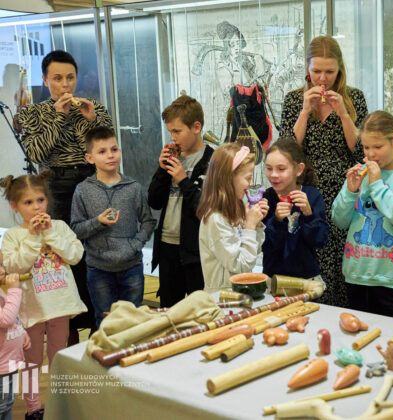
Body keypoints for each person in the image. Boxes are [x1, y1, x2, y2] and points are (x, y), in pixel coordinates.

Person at [18, 50, 113, 340]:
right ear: (46, 80)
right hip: (55, 185)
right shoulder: (34, 112)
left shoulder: (93, 106)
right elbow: (35, 153)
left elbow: (107, 147)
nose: (65, 85)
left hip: (91, 181)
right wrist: (58, 117)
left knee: (97, 249)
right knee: (60, 254)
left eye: (70, 77)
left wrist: (92, 120)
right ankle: (67, 328)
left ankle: (101, 321)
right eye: (57, 78)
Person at [279, 36, 368, 307]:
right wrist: (305, 112)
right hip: (307, 192)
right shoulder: (295, 100)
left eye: (329, 71)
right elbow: (286, 151)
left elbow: (360, 151)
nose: (322, 78)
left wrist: (343, 113)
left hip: (345, 192)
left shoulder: (354, 98)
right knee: (310, 260)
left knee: (343, 261)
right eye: (316, 71)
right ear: (307, 69)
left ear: (340, 69)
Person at [1, 172, 87, 419]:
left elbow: (75, 255)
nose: (36, 207)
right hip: (32, 310)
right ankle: (32, 409)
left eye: (40, 200)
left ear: (47, 201)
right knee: (31, 363)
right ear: (15, 206)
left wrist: (49, 233)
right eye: (28, 203)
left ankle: (60, 403)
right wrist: (33, 238)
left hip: (60, 305)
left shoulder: (59, 226)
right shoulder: (13, 236)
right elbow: (16, 266)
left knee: (59, 358)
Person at [331, 111, 393, 318]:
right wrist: (350, 192)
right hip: (357, 276)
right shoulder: (361, 173)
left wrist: (377, 183)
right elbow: (339, 220)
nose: (371, 154)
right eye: (366, 147)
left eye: (378, 147)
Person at [70, 127, 156, 326]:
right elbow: (75, 229)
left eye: (114, 149)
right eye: (102, 151)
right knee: (105, 321)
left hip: (132, 267)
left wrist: (136, 244)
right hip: (98, 269)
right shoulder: (83, 190)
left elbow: (148, 221)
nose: (110, 155)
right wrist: (97, 222)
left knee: (133, 321)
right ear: (90, 158)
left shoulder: (133, 187)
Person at [148, 96, 214, 307]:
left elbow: (206, 209)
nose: (172, 137)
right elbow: (154, 201)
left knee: (200, 311)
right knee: (169, 313)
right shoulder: (172, 157)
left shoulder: (213, 161)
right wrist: (162, 169)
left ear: (196, 127)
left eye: (177, 131)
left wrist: (183, 180)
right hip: (167, 246)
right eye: (170, 132)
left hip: (197, 250)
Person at [197, 144, 268, 292]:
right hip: (221, 299)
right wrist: (249, 226)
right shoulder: (215, 219)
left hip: (235, 294)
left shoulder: (233, 211)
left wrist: (257, 224)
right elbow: (241, 264)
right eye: (248, 178)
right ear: (228, 180)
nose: (251, 184)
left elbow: (254, 251)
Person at [262, 137, 329, 282]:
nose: (273, 174)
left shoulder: (311, 196)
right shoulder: (266, 198)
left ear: (298, 169)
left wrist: (308, 215)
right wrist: (277, 221)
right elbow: (264, 244)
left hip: (306, 278)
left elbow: (320, 241)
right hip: (273, 278)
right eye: (269, 168)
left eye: (281, 169)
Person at [0, 251, 31, 420]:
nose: (2, 271)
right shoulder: (8, 291)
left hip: (8, 364)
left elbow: (13, 318)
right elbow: (5, 319)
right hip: (1, 368)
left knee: (7, 405)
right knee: (2, 406)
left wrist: (22, 331)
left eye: (2, 265)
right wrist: (14, 291)